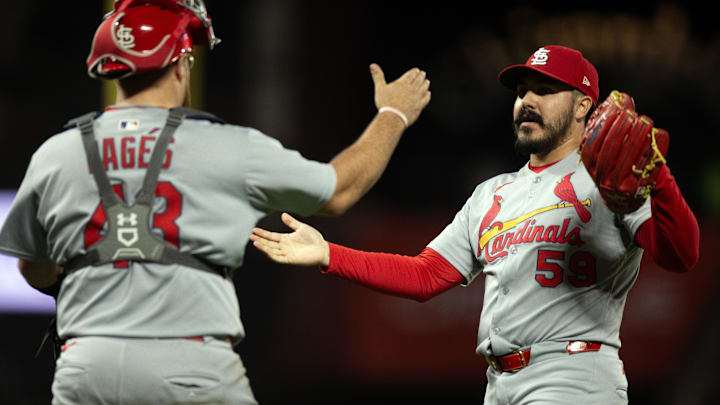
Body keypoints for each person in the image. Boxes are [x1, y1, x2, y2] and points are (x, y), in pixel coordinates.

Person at [0, 1, 430, 404]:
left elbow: (32, 267)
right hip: (189, 366)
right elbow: (340, 191)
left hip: (86, 366)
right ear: (182, 63)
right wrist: (393, 114)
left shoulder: (56, 154)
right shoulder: (228, 147)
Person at [250, 45, 700, 404]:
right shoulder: (492, 193)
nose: (527, 100)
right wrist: (330, 253)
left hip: (573, 378)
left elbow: (681, 256)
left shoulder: (610, 177)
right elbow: (426, 275)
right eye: (522, 90)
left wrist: (659, 179)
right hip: (499, 385)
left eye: (544, 89)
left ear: (584, 105)